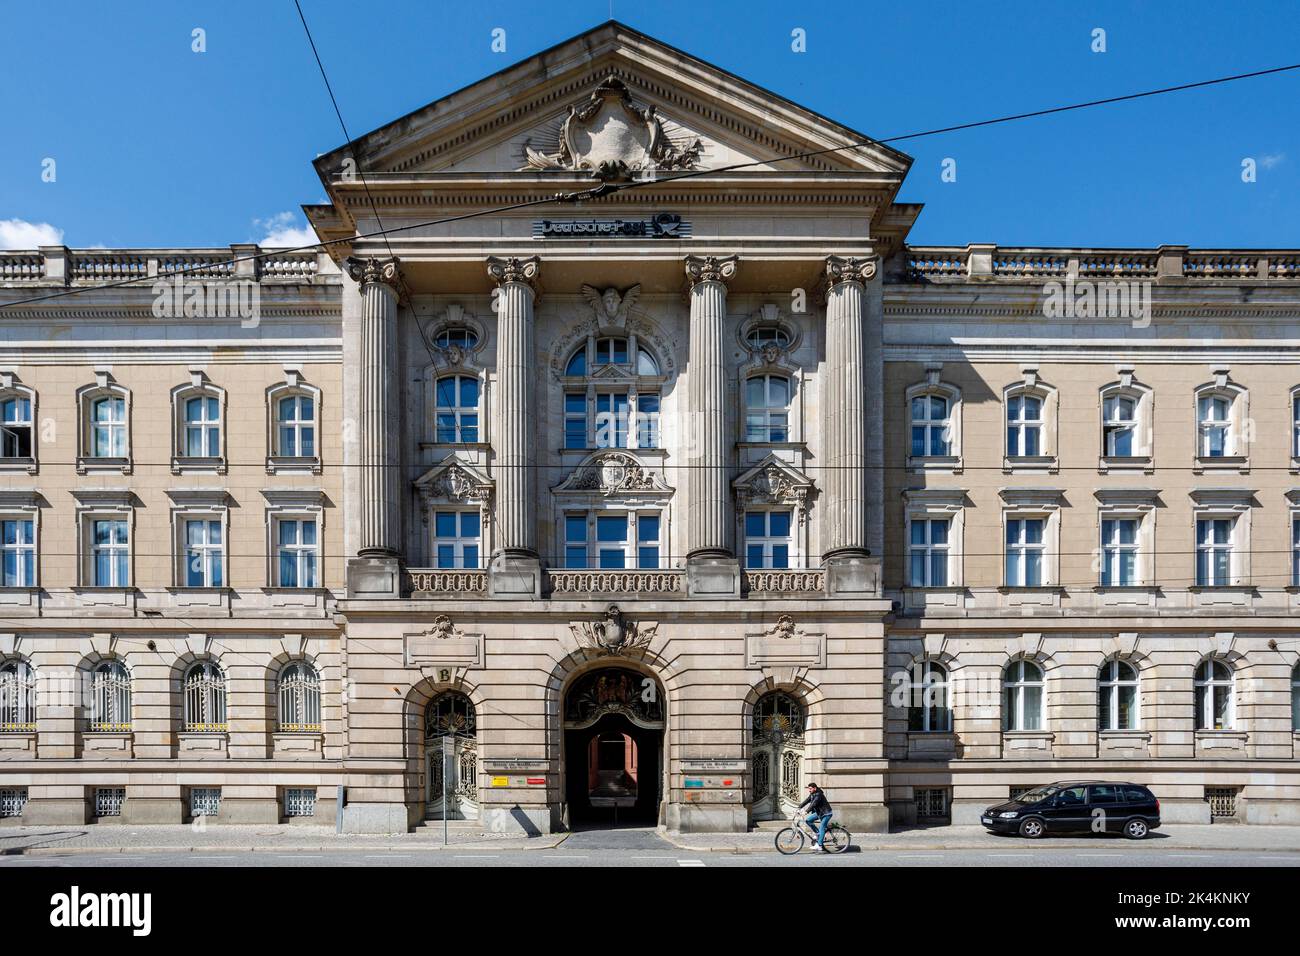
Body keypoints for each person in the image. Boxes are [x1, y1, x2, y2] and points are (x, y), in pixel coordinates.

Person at [797, 782, 833, 851]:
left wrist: (806, 811)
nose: (809, 790)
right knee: (808, 820)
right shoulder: (812, 794)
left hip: (826, 813)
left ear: (814, 788)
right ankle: (818, 833)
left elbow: (813, 804)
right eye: (808, 789)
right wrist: (799, 807)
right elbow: (807, 801)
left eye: (810, 789)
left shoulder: (818, 795)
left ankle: (819, 846)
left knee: (822, 827)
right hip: (820, 813)